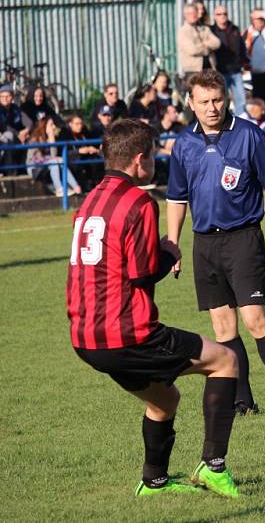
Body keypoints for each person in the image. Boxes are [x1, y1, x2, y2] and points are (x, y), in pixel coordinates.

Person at [67, 119, 240, 497]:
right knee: (226, 360)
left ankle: (154, 481)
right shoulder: (140, 202)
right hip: (128, 333)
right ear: (140, 160)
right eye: (154, 156)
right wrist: (169, 253)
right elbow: (142, 273)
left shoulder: (89, 201)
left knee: (165, 399)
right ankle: (214, 467)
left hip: (84, 337)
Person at [166, 71, 265, 417]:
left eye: (218, 100)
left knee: (255, 319)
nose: (213, 108)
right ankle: (243, 401)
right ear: (191, 103)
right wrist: (173, 245)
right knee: (223, 328)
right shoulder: (184, 144)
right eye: (205, 102)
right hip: (204, 244)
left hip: (243, 238)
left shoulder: (249, 135)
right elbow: (177, 199)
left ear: (228, 99)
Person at [26, 117, 81, 196]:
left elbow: (53, 155)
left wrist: (52, 139)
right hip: (34, 167)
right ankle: (59, 189)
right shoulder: (35, 139)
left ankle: (76, 186)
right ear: (44, 126)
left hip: (48, 165)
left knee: (60, 162)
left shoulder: (51, 138)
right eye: (51, 125)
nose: (54, 127)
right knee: (55, 162)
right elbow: (37, 159)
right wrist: (53, 158)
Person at [211, 5, 248, 116]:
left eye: (225, 14)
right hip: (220, 71)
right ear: (215, 16)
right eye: (219, 14)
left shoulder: (234, 29)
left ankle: (240, 126)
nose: (222, 16)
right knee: (222, 100)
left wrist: (243, 63)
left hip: (236, 71)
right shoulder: (212, 31)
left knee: (241, 100)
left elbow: (242, 48)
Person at [58, 114, 101, 190]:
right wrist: (78, 151)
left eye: (81, 123)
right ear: (70, 124)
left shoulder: (84, 132)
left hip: (86, 158)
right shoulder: (65, 134)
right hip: (72, 160)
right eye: (77, 124)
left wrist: (92, 149)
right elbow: (63, 152)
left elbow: (91, 144)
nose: (80, 126)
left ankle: (95, 184)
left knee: (96, 160)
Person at [177, 3, 221, 78]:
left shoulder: (205, 28)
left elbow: (217, 43)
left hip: (209, 68)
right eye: (190, 13)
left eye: (195, 13)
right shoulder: (183, 32)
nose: (193, 15)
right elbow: (192, 50)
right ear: (185, 15)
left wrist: (205, 44)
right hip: (193, 70)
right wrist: (206, 49)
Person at [0, 85, 30, 175]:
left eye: (8, 96)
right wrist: (18, 134)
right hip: (5, 138)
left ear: (12, 97)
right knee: (8, 137)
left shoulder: (16, 109)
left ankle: (25, 170)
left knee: (30, 140)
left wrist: (26, 131)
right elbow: (5, 127)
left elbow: (29, 123)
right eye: (2, 96)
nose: (5, 99)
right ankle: (9, 172)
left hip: (16, 138)